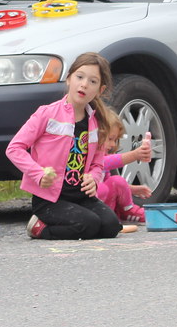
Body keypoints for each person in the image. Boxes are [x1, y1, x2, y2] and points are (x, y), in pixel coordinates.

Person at [7, 52, 123, 240]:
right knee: (88, 225)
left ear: (100, 91)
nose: (84, 84)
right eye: (79, 77)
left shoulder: (97, 122)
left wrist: (93, 179)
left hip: (81, 197)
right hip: (50, 200)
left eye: (92, 82)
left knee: (111, 226)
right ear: (69, 79)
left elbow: (97, 164)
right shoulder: (47, 113)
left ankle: (81, 222)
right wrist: (38, 174)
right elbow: (14, 148)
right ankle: (39, 227)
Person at [95, 104, 153, 224]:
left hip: (104, 202)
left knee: (117, 181)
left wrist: (132, 189)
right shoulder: (89, 156)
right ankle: (106, 217)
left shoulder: (104, 155)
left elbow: (110, 182)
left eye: (115, 140)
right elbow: (104, 163)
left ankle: (128, 211)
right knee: (101, 189)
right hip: (91, 205)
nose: (112, 145)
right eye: (110, 139)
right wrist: (134, 155)